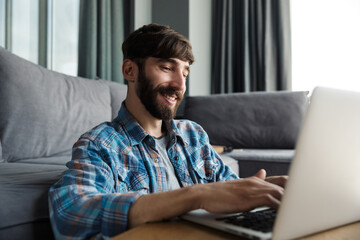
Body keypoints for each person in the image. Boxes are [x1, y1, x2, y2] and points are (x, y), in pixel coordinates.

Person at [48, 23, 287, 239]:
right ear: (130, 70)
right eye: (167, 67)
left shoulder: (192, 134)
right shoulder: (100, 144)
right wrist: (196, 195)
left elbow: (226, 187)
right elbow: (70, 213)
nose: (180, 85)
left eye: (184, 73)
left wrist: (268, 186)